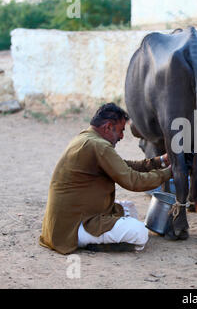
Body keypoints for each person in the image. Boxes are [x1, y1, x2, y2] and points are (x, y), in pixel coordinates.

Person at [39, 103, 172, 254]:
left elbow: (123, 166)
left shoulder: (87, 138)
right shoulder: (99, 146)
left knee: (129, 208)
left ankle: (97, 237)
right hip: (74, 227)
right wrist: (168, 173)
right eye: (121, 131)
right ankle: (94, 245)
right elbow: (133, 181)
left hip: (61, 224)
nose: (122, 136)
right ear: (108, 127)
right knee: (140, 233)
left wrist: (161, 161)